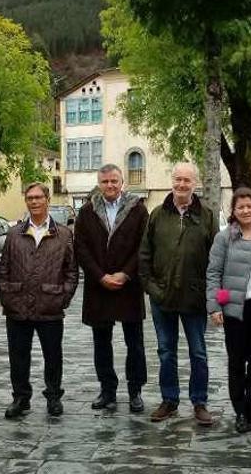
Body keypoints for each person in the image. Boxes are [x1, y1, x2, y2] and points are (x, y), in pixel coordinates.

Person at [139, 162, 219, 425]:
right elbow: (144, 257)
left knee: (198, 352)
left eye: (187, 180)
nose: (182, 184)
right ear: (171, 180)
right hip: (162, 298)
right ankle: (169, 400)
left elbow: (215, 261)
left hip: (194, 298)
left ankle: (199, 402)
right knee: (166, 351)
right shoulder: (157, 214)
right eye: (177, 179)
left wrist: (210, 296)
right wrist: (152, 289)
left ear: (194, 183)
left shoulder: (206, 215)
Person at [74, 164, 149, 413]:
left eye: (114, 181)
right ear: (99, 183)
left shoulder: (138, 210)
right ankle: (107, 391)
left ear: (122, 182)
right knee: (101, 343)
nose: (110, 186)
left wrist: (126, 274)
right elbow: (81, 248)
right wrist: (100, 276)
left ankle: (135, 390)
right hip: (99, 286)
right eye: (105, 181)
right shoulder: (86, 212)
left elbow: (144, 246)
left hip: (129, 285)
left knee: (135, 343)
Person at [0, 182, 79, 418]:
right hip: (18, 304)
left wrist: (64, 296)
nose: (34, 202)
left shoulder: (63, 233)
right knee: (18, 356)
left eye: (38, 197)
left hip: (50, 303)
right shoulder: (14, 233)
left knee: (53, 355)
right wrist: (6, 295)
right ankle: (21, 398)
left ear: (48, 199)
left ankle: (54, 396)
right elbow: (3, 268)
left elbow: (71, 270)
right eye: (29, 198)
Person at [205, 187, 251, 434]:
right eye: (240, 206)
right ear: (234, 211)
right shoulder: (224, 238)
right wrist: (216, 305)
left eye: (250, 205)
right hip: (235, 310)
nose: (246, 210)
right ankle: (240, 412)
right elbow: (214, 274)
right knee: (236, 362)